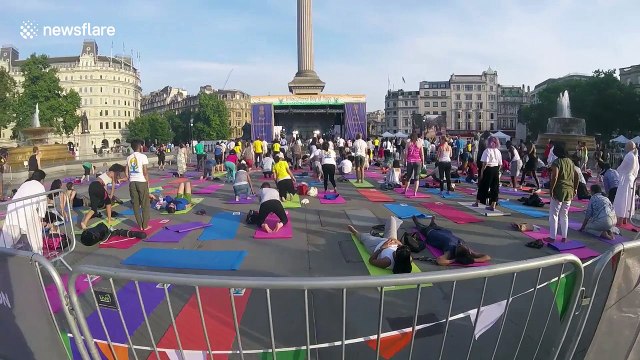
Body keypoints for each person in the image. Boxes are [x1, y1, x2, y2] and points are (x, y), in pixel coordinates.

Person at [0, 170, 48, 253]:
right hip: (28, 212)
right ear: (42, 179)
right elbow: (42, 203)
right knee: (35, 237)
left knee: (8, 238)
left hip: (13, 210)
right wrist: (41, 216)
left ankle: (2, 253)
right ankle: (38, 257)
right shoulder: (40, 186)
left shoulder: (25, 184)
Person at [412, 215, 490, 266]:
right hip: (444, 231)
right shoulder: (467, 249)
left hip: (431, 233)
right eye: (461, 245)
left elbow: (440, 261)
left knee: (421, 227)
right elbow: (487, 257)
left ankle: (416, 221)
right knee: (435, 226)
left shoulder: (449, 251)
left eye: (459, 246)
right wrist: (474, 260)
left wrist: (454, 260)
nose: (460, 244)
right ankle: (432, 222)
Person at [346, 216, 413, 273]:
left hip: (376, 245)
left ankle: (355, 232)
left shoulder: (387, 261)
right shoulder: (408, 258)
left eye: (396, 251)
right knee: (392, 219)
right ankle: (384, 233)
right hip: (390, 240)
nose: (395, 250)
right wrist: (397, 242)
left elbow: (371, 261)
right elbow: (402, 247)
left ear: (397, 257)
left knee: (363, 237)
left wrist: (382, 248)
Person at [547, 145, 579, 243]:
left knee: (554, 214)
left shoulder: (556, 162)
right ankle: (564, 237)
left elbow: (555, 177)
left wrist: (551, 189)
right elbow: (577, 175)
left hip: (559, 190)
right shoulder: (570, 162)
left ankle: (552, 237)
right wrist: (575, 188)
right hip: (569, 190)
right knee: (564, 214)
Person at [80, 164, 126, 229]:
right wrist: (111, 195)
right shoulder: (113, 173)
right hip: (98, 186)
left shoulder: (106, 173)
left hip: (92, 186)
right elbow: (113, 185)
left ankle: (84, 223)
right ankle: (109, 220)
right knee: (108, 201)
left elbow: (104, 185)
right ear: (117, 170)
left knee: (94, 208)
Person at [126, 140, 151, 231]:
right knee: (145, 203)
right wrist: (147, 182)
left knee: (135, 204)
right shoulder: (143, 156)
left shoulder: (129, 157)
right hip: (141, 181)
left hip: (132, 182)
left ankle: (140, 224)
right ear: (140, 146)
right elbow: (145, 171)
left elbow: (127, 171)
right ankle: (145, 225)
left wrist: (129, 177)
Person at [613, 141, 639, 226]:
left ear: (629, 147)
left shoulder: (629, 156)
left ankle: (620, 220)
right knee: (629, 199)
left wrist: (617, 171)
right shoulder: (635, 156)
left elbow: (622, 167)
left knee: (622, 198)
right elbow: (636, 170)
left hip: (626, 180)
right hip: (631, 179)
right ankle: (625, 219)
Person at [474, 136, 502, 211]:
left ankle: (478, 201)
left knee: (483, 186)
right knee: (494, 187)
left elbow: (484, 163)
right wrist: (497, 171)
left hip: (488, 168)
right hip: (495, 169)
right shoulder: (498, 151)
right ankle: (493, 204)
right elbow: (500, 164)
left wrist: (482, 172)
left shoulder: (487, 150)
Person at [403, 132, 425, 196]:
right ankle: (415, 192)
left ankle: (405, 190)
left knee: (408, 177)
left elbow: (406, 153)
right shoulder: (420, 143)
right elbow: (422, 154)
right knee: (416, 177)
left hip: (410, 161)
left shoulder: (408, 143)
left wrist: (404, 162)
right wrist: (423, 163)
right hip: (418, 161)